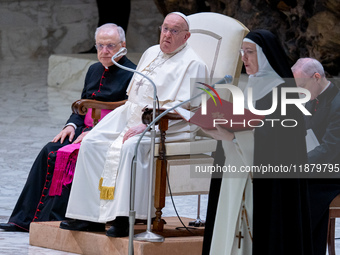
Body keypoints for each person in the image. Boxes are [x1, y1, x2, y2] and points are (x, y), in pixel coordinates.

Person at [59, 12, 209, 237]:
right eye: (165, 28)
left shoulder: (195, 64)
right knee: (91, 141)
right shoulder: (151, 52)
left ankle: (124, 218)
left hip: (167, 125)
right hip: (133, 113)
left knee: (131, 146)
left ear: (186, 36)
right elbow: (133, 97)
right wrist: (134, 120)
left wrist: (149, 124)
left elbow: (188, 109)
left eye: (174, 31)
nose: (167, 35)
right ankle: (88, 217)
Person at [0, 23, 136, 232]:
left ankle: (52, 219)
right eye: (100, 46)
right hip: (84, 131)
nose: (104, 51)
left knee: (66, 157)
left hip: (105, 135)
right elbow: (84, 103)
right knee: (49, 150)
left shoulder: (132, 74)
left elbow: (125, 113)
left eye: (110, 46)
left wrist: (94, 132)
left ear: (123, 45)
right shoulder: (93, 69)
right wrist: (72, 125)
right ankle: (23, 219)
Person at [201, 29, 313, 255]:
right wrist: (220, 132)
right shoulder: (248, 87)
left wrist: (233, 137)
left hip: (267, 186)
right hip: (236, 173)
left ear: (265, 55)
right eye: (242, 52)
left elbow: (279, 142)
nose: (244, 58)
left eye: (250, 52)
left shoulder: (285, 93)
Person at [292, 57, 340, 255]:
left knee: (302, 197)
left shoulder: (337, 103)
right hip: (315, 166)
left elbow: (330, 148)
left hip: (332, 173)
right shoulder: (310, 98)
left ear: (317, 77)